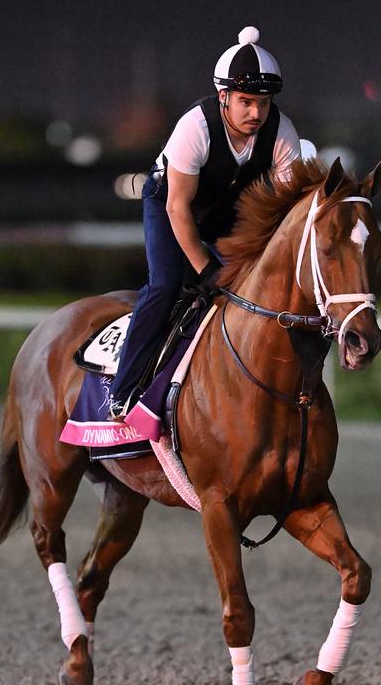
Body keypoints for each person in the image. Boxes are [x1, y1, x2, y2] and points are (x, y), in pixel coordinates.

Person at [108, 26, 302, 419]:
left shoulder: (282, 133)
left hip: (227, 208)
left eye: (264, 104)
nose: (256, 114)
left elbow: (286, 211)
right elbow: (179, 210)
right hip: (171, 205)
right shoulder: (194, 127)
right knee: (166, 284)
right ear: (223, 96)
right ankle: (122, 390)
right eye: (246, 102)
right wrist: (206, 267)